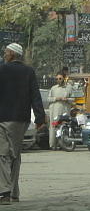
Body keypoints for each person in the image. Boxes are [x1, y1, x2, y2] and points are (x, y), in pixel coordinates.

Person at [0, 43, 45, 204]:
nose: (4, 54)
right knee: (15, 155)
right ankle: (13, 193)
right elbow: (35, 95)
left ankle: (4, 192)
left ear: (12, 54)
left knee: (2, 155)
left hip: (3, 119)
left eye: (6, 52)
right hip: (21, 120)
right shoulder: (29, 71)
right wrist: (40, 118)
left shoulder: (2, 70)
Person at [48, 73, 74, 150]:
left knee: (64, 127)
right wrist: (57, 98)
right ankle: (53, 145)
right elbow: (48, 99)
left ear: (64, 79)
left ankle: (64, 144)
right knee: (53, 126)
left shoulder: (69, 88)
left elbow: (73, 99)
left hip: (65, 110)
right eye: (57, 79)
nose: (58, 80)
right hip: (54, 111)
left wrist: (67, 99)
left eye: (60, 78)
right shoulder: (53, 88)